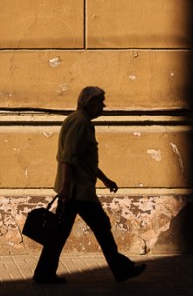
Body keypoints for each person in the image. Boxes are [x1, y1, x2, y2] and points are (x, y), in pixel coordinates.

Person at [33, 86, 147, 284]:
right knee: (101, 227)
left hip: (76, 190)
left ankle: (44, 274)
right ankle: (121, 269)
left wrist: (105, 179)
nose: (103, 106)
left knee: (59, 234)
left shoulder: (80, 121)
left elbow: (84, 160)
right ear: (89, 102)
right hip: (77, 191)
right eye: (100, 101)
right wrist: (67, 186)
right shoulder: (80, 122)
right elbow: (68, 157)